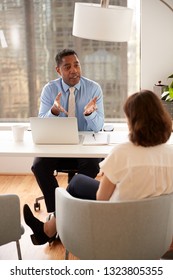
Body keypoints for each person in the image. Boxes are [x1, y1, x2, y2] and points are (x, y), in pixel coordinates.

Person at [24, 89, 173, 252]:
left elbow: (101, 200)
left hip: (119, 226)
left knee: (76, 183)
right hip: (158, 232)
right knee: (79, 181)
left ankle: (48, 230)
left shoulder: (122, 153)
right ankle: (48, 230)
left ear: (132, 120)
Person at [31, 49, 104, 213]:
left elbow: (99, 126)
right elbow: (41, 122)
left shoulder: (93, 88)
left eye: (76, 65)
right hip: (58, 145)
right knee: (39, 166)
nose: (74, 70)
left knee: (92, 165)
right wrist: (54, 112)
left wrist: (90, 114)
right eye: (67, 67)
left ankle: (68, 209)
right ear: (58, 70)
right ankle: (58, 211)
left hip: (85, 148)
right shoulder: (50, 89)